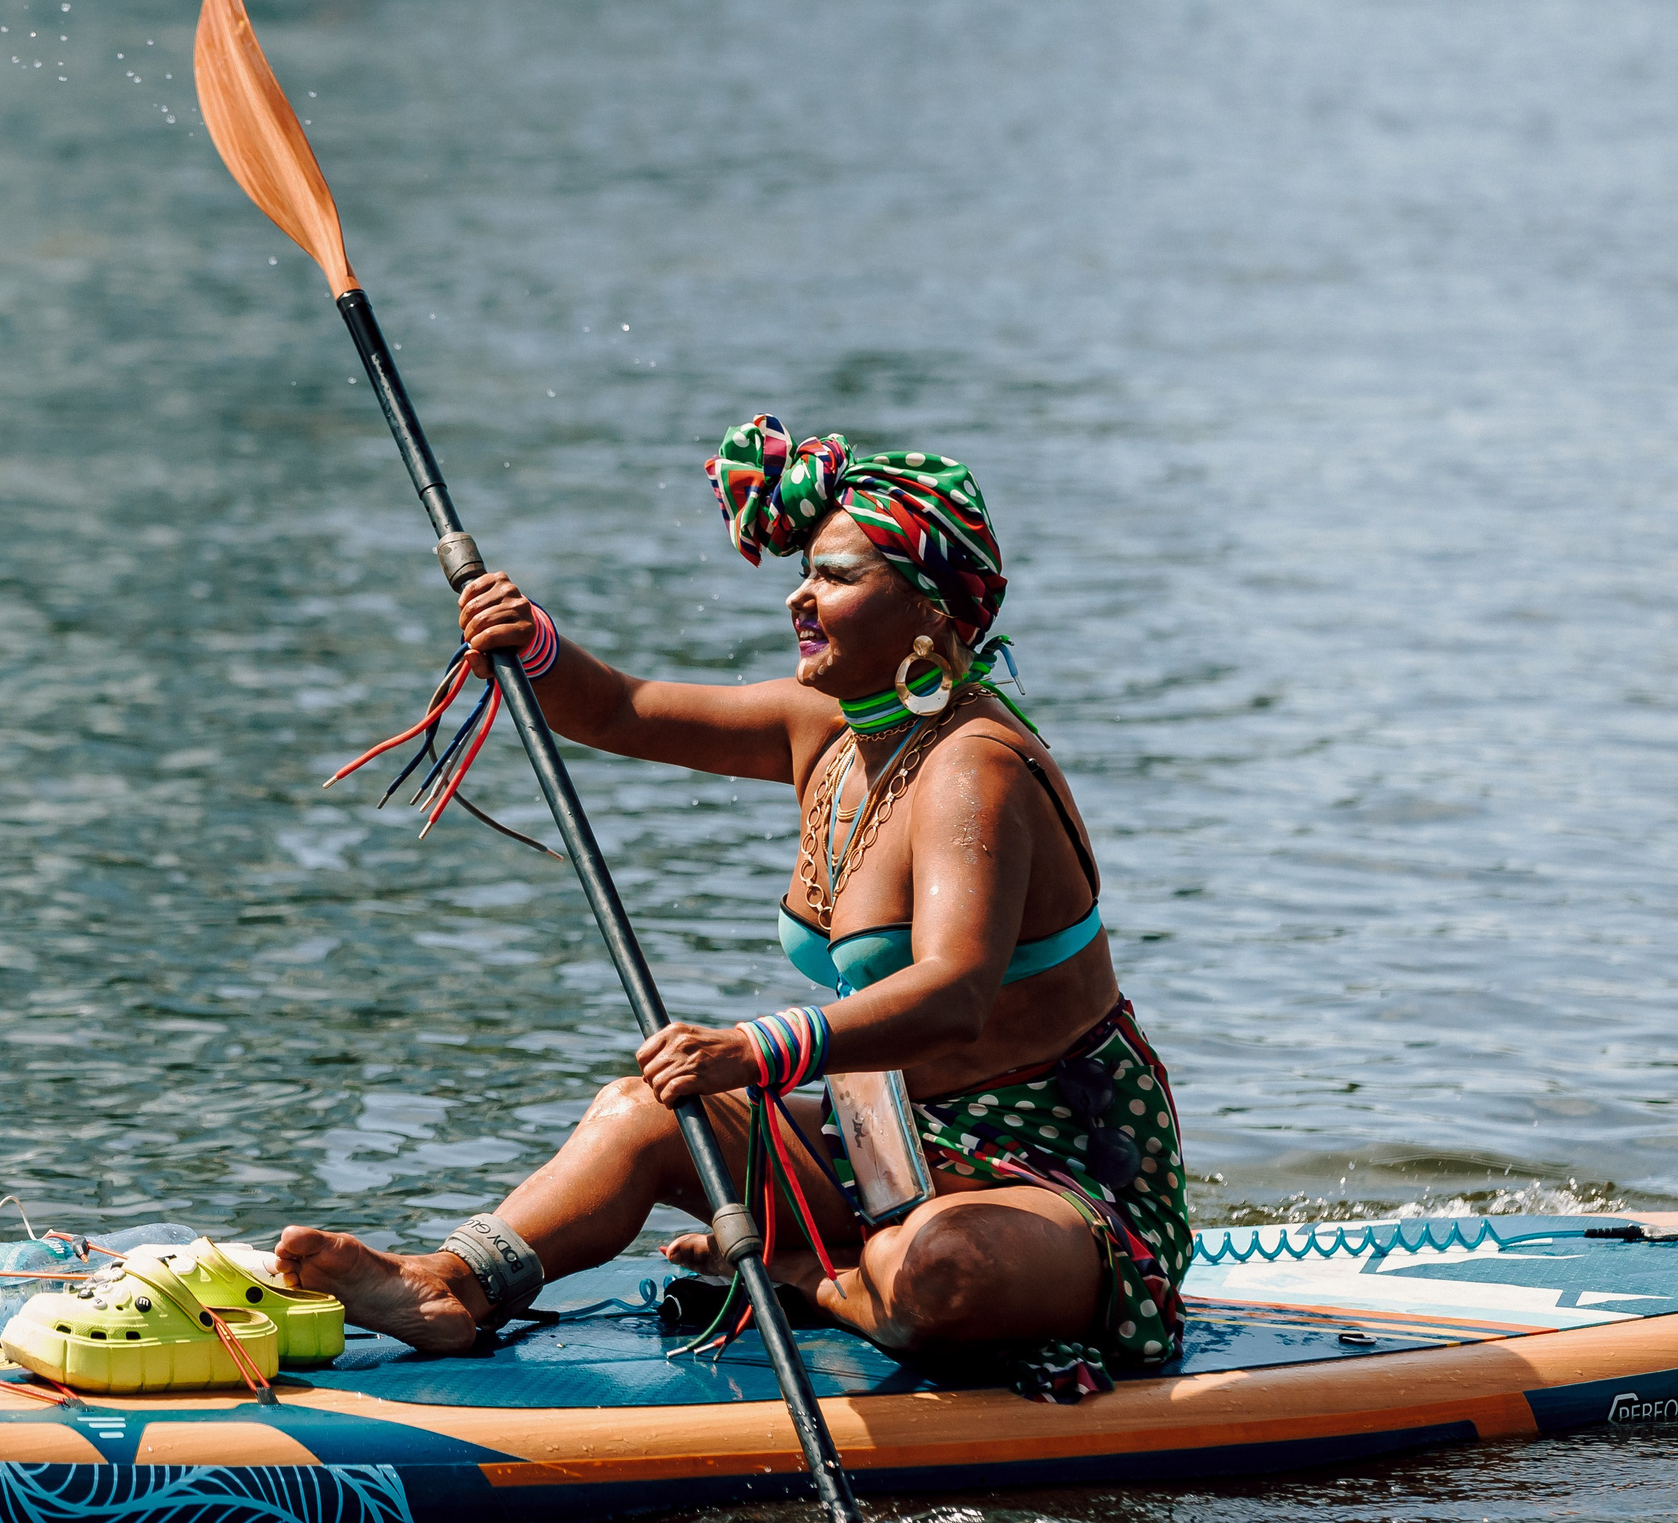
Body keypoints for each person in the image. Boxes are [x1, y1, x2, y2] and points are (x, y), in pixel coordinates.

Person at [278, 415, 1191, 1401]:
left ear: (932, 612)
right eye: (804, 570)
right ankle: (450, 1286)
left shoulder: (977, 765)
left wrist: (753, 1050)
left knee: (944, 1274)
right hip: (883, 1153)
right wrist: (530, 640)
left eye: (839, 577)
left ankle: (808, 1277)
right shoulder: (823, 732)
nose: (801, 593)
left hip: (1051, 1177)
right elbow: (616, 711)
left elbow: (955, 994)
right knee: (641, 1114)